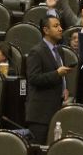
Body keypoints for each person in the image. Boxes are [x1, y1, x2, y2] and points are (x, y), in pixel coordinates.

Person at [26, 16, 73, 144]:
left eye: (60, 25)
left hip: (56, 110)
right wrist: (56, 74)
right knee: (38, 152)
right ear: (46, 30)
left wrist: (65, 88)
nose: (60, 29)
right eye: (56, 26)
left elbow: (61, 73)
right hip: (40, 114)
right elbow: (34, 78)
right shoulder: (36, 51)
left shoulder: (59, 50)